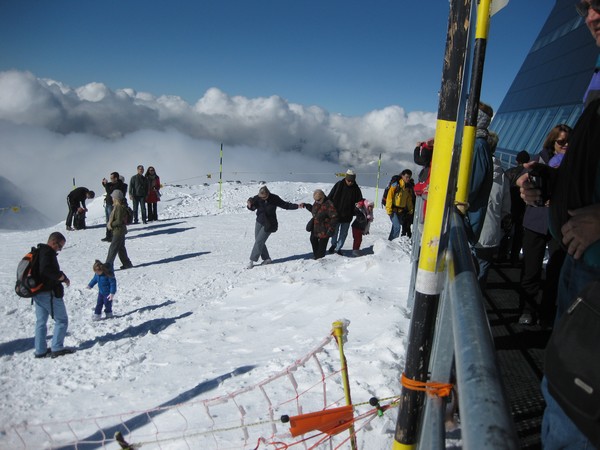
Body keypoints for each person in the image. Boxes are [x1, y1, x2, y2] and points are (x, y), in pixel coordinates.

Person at [518, 2, 600, 446]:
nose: (590, 16)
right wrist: (550, 182)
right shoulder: (596, 87)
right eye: (586, 5)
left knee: (577, 421)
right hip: (581, 280)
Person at [518, 124, 572, 326]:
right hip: (536, 220)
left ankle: (547, 312)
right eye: (561, 141)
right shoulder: (540, 160)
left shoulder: (576, 162)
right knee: (531, 269)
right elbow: (522, 179)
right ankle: (527, 309)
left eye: (568, 141)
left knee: (555, 272)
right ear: (552, 142)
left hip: (561, 222)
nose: (565, 145)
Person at [473, 132, 511, 290]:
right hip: (489, 235)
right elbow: (505, 209)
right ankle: (476, 306)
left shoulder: (470, 169)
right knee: (481, 272)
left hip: (466, 231)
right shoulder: (502, 176)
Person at [32, 232, 74, 358]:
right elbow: (46, 270)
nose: (60, 249)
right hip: (48, 292)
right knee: (62, 320)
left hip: (38, 292)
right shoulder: (47, 253)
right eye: (59, 246)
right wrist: (61, 277)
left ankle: (40, 350)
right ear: (53, 242)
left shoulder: (39, 251)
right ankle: (57, 348)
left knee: (41, 322)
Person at [246, 185, 304, 269]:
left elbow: (285, 205)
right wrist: (249, 204)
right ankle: (267, 259)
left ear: (268, 194)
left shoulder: (274, 198)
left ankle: (251, 260)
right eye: (261, 197)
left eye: (264, 197)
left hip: (269, 224)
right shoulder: (258, 198)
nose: (263, 198)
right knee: (259, 240)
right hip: (259, 221)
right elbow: (252, 206)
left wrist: (297, 206)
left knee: (259, 241)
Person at [465, 102, 494, 245]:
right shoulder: (480, 145)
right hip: (469, 219)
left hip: (467, 221)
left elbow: (470, 188)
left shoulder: (477, 146)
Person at [502, 150, 531, 265]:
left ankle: (502, 254)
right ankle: (514, 257)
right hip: (522, 208)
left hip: (510, 206)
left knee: (505, 231)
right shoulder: (528, 174)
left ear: (516, 160)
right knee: (519, 234)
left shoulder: (509, 172)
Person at [327, 169, 363, 255]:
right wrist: (329, 210)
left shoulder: (356, 189)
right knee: (334, 232)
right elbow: (330, 197)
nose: (350, 182)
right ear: (346, 178)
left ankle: (338, 248)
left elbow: (359, 201)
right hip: (336, 214)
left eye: (352, 181)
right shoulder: (339, 185)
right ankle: (333, 244)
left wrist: (358, 207)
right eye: (348, 180)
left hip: (348, 216)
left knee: (343, 234)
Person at [304, 189, 338, 259]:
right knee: (313, 239)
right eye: (315, 200)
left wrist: (331, 229)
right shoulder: (318, 202)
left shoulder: (329, 204)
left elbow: (335, 217)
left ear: (323, 197)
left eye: (318, 200)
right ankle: (316, 256)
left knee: (321, 250)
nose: (316, 201)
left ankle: (320, 262)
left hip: (325, 229)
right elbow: (315, 211)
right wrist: (306, 206)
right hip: (316, 227)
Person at [105, 190, 133, 273]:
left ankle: (108, 266)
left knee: (112, 249)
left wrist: (110, 224)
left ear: (116, 198)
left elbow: (119, 221)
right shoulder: (118, 206)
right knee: (121, 248)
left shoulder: (119, 207)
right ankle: (127, 263)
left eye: (113, 197)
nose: (112, 198)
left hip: (118, 231)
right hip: (120, 231)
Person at [385, 169, 414, 241]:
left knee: (395, 227)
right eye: (406, 177)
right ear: (402, 176)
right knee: (397, 227)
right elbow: (389, 196)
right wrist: (388, 209)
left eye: (409, 177)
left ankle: (389, 243)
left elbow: (408, 199)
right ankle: (393, 243)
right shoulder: (396, 184)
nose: (408, 179)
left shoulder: (407, 187)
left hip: (401, 211)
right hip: (393, 210)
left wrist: (411, 209)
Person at [101, 172, 127, 242]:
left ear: (116, 178)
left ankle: (112, 236)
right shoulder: (113, 184)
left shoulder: (119, 184)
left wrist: (106, 185)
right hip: (108, 203)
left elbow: (109, 192)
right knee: (108, 220)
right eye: (110, 178)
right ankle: (108, 235)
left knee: (111, 220)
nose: (111, 179)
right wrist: (104, 183)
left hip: (112, 204)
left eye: (112, 178)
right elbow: (108, 186)